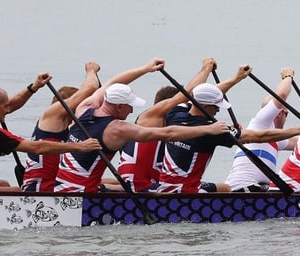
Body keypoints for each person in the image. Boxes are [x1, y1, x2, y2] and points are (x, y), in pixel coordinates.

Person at [53, 58, 233, 193]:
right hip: (84, 197)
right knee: (224, 189)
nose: (132, 111)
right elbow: (169, 131)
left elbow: (112, 82)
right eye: (130, 106)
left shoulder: (84, 109)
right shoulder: (119, 129)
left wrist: (146, 68)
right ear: (119, 106)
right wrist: (209, 129)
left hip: (60, 188)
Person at [153, 72, 300, 194]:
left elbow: (193, 95)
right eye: (216, 106)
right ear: (204, 106)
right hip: (185, 194)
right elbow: (258, 137)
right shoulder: (213, 130)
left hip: (163, 187)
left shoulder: (175, 113)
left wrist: (236, 78)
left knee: (225, 188)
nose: (218, 109)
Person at [0, 85, 102, 191]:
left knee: (7, 187)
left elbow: (9, 104)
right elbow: (38, 148)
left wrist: (33, 87)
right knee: (16, 191)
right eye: (5, 106)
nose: (8, 110)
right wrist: (80, 147)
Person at [118, 58, 218, 192]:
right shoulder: (153, 119)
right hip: (142, 188)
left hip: (138, 182)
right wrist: (206, 69)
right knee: (222, 188)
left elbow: (196, 99)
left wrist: (234, 79)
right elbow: (188, 94)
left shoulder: (154, 121)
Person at [22, 62, 102, 192]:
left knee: (111, 183)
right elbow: (90, 88)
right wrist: (91, 71)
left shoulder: (63, 124)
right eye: (80, 104)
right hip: (41, 192)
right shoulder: (53, 115)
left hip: (54, 186)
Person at [225, 68, 300, 192]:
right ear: (278, 113)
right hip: (242, 188)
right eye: (285, 113)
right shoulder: (260, 124)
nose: (286, 116)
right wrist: (288, 76)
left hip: (257, 189)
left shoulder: (276, 139)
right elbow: (281, 95)